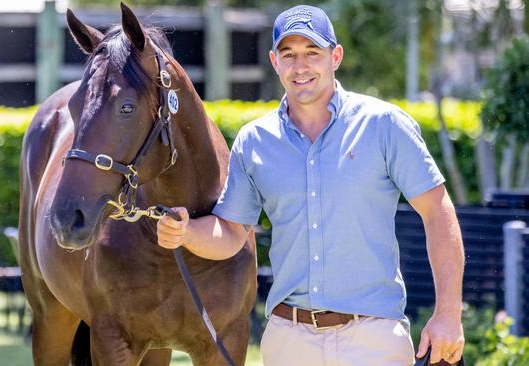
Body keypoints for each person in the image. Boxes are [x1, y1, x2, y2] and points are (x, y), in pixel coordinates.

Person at [157, 4, 465, 365]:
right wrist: (186, 233)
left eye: (312, 52)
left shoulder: (384, 125)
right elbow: (230, 232)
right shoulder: (254, 141)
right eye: (288, 54)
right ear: (274, 61)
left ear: (335, 56)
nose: (300, 66)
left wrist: (448, 313)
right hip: (289, 340)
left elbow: (438, 213)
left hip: (373, 338)